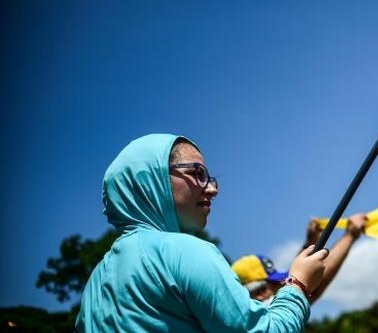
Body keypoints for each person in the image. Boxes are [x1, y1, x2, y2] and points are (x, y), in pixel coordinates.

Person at [76, 134, 328, 332]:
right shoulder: (185, 251)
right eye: (197, 174)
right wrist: (298, 285)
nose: (212, 189)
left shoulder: (95, 284)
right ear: (152, 179)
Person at [232, 214, 367, 304]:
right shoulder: (263, 314)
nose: (281, 287)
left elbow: (297, 276)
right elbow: (310, 286)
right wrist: (350, 235)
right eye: (273, 285)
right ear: (259, 293)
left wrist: (310, 243)